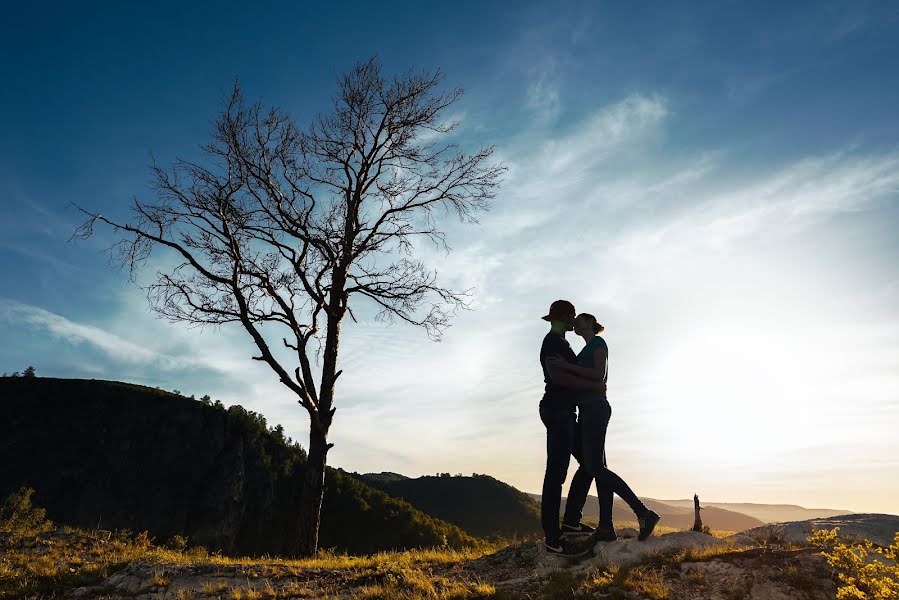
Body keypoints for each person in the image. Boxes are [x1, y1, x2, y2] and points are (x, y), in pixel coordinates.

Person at [547, 312, 660, 542]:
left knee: (596, 467)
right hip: (589, 409)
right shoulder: (586, 349)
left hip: (595, 409)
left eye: (579, 319)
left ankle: (643, 513)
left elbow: (599, 375)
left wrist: (567, 367)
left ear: (589, 323)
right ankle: (606, 527)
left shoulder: (598, 343)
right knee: (598, 467)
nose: (575, 322)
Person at [538, 300, 607, 556]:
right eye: (572, 316)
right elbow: (558, 377)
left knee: (589, 463)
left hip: (565, 412)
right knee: (556, 474)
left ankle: (570, 522)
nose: (574, 319)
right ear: (565, 317)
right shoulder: (553, 342)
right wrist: (594, 387)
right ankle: (553, 539)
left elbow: (571, 374)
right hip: (557, 412)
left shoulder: (562, 343)